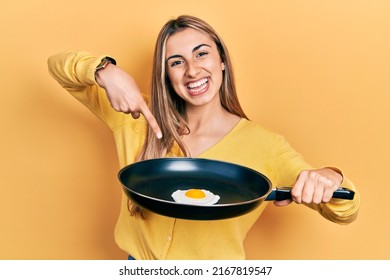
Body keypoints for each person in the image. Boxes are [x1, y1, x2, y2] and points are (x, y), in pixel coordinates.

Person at [47, 15, 360, 260]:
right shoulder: (135, 117)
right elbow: (59, 67)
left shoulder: (266, 145)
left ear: (222, 61)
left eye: (202, 54)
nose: (192, 71)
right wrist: (106, 71)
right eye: (177, 62)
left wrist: (330, 177)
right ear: (166, 76)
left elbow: (345, 210)